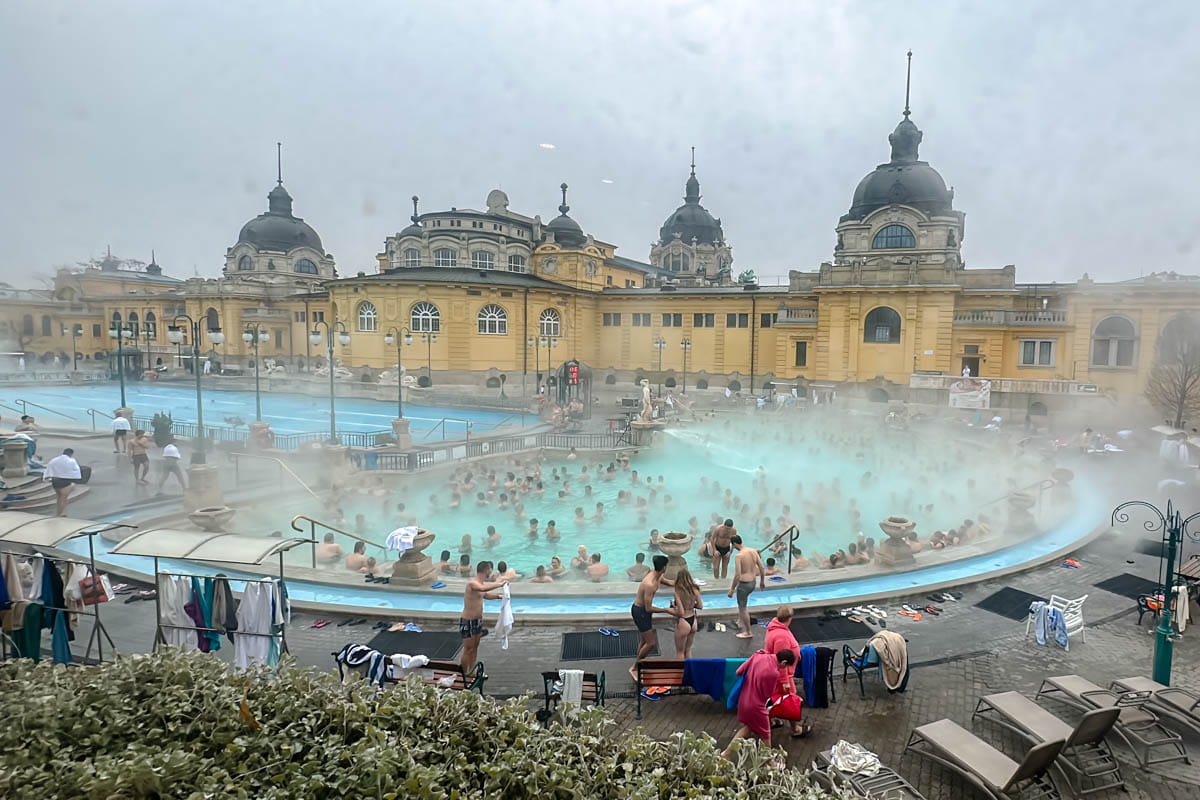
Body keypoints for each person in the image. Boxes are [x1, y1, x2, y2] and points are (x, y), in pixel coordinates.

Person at [722, 648, 797, 758]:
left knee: (749, 728)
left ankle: (726, 754)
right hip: (756, 707)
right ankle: (769, 762)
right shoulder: (773, 673)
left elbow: (739, 671)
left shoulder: (760, 655)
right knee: (766, 734)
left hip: (744, 699)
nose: (783, 669)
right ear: (784, 662)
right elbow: (767, 695)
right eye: (785, 666)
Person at [764, 607, 810, 737]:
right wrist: (784, 681)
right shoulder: (781, 636)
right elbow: (782, 659)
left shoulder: (775, 627)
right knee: (791, 701)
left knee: (772, 700)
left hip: (776, 673)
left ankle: (769, 722)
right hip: (783, 675)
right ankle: (795, 729)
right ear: (789, 618)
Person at [630, 554, 676, 679]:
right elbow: (648, 608)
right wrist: (666, 610)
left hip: (644, 612)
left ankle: (639, 660)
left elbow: (670, 582)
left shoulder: (658, 575)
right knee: (651, 643)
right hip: (640, 612)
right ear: (664, 567)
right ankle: (634, 667)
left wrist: (685, 582)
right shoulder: (649, 583)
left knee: (645, 640)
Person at [461, 561, 507, 673]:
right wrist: (500, 584)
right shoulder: (473, 583)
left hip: (477, 620)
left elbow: (484, 595)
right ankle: (463, 674)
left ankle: (472, 672)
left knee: (475, 647)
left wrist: (499, 597)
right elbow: (482, 589)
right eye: (490, 569)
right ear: (487, 570)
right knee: (468, 649)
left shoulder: (480, 584)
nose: (491, 572)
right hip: (468, 621)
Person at [727, 535, 765, 639]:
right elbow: (761, 567)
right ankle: (740, 621)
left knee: (742, 608)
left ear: (734, 544)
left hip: (744, 585)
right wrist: (762, 582)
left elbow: (738, 574)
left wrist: (732, 589)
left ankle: (748, 632)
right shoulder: (753, 551)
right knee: (743, 603)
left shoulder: (739, 556)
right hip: (752, 582)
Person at [672, 568, 703, 660]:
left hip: (683, 621)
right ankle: (690, 671)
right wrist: (691, 605)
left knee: (680, 652)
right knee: (688, 650)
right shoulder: (695, 590)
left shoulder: (677, 592)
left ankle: (679, 673)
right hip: (693, 621)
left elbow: (680, 612)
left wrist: (673, 607)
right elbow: (700, 606)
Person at [43, 447, 81, 516]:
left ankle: (58, 513)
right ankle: (59, 514)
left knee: (58, 498)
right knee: (63, 499)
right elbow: (76, 470)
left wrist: (47, 477)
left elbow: (49, 468)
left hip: (55, 482)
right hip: (65, 482)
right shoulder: (71, 461)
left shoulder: (54, 460)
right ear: (71, 454)